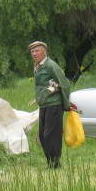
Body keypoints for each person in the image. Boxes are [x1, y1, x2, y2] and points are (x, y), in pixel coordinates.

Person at [29, 40, 76, 168]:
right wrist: (39, 97)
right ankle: (50, 162)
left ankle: (55, 163)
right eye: (32, 51)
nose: (34, 53)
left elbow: (64, 83)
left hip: (54, 105)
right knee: (42, 135)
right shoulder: (38, 66)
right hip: (44, 104)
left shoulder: (51, 65)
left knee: (51, 135)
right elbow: (45, 84)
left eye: (37, 50)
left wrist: (65, 104)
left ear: (44, 51)